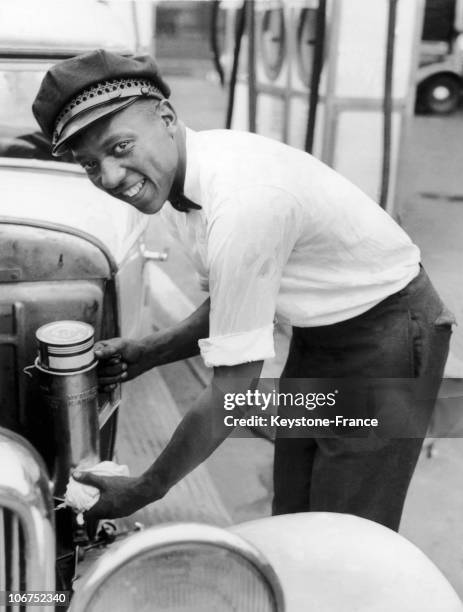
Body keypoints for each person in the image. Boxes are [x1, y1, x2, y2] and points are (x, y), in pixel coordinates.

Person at [33, 50, 455, 531]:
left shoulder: (241, 203)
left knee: (347, 531)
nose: (109, 177)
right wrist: (148, 352)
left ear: (167, 118)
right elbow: (234, 304)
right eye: (90, 165)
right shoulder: (175, 184)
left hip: (391, 338)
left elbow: (234, 387)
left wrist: (146, 488)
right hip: (321, 338)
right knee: (295, 506)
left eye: (120, 147)